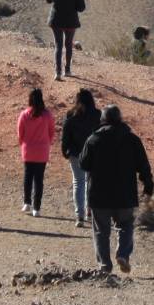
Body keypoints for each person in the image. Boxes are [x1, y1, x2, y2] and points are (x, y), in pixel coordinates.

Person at [79, 105, 154, 274]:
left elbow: (83, 164)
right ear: (120, 119)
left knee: (101, 231)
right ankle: (123, 255)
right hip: (125, 194)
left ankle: (105, 266)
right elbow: (143, 165)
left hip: (99, 195)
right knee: (126, 225)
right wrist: (148, 184)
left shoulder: (93, 139)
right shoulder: (132, 139)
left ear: (103, 119)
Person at [59, 88, 101, 228]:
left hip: (76, 153)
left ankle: (80, 215)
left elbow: (65, 135)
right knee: (90, 181)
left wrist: (64, 150)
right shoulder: (97, 115)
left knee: (78, 182)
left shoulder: (71, 115)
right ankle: (90, 210)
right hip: (94, 153)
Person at [17, 88, 56, 217]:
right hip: (42, 151)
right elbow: (51, 132)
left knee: (28, 177)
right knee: (39, 180)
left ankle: (27, 202)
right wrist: (46, 143)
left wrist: (24, 144)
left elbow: (20, 134)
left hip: (28, 150)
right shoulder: (47, 115)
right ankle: (37, 208)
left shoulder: (24, 114)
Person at [43, 0, 86, 79]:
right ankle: (67, 71)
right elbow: (82, 7)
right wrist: (72, 6)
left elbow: (47, 0)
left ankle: (57, 73)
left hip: (56, 20)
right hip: (71, 21)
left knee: (58, 45)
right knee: (68, 45)